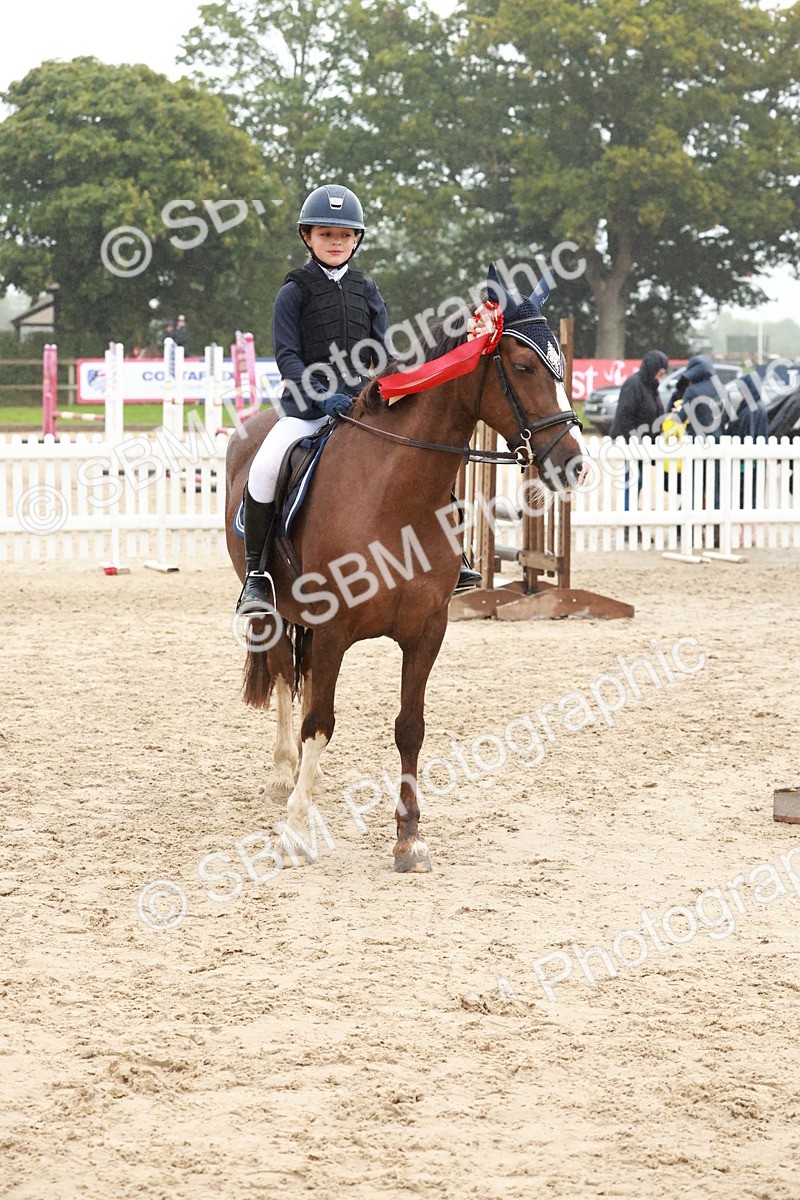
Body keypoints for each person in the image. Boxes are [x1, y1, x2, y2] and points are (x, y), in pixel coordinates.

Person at [609, 350, 669, 515]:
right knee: (634, 481)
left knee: (638, 482)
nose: (663, 373)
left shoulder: (651, 386)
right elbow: (624, 416)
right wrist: (633, 442)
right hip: (631, 444)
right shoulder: (633, 385)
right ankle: (629, 519)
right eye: (661, 369)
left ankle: (631, 515)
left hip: (643, 445)